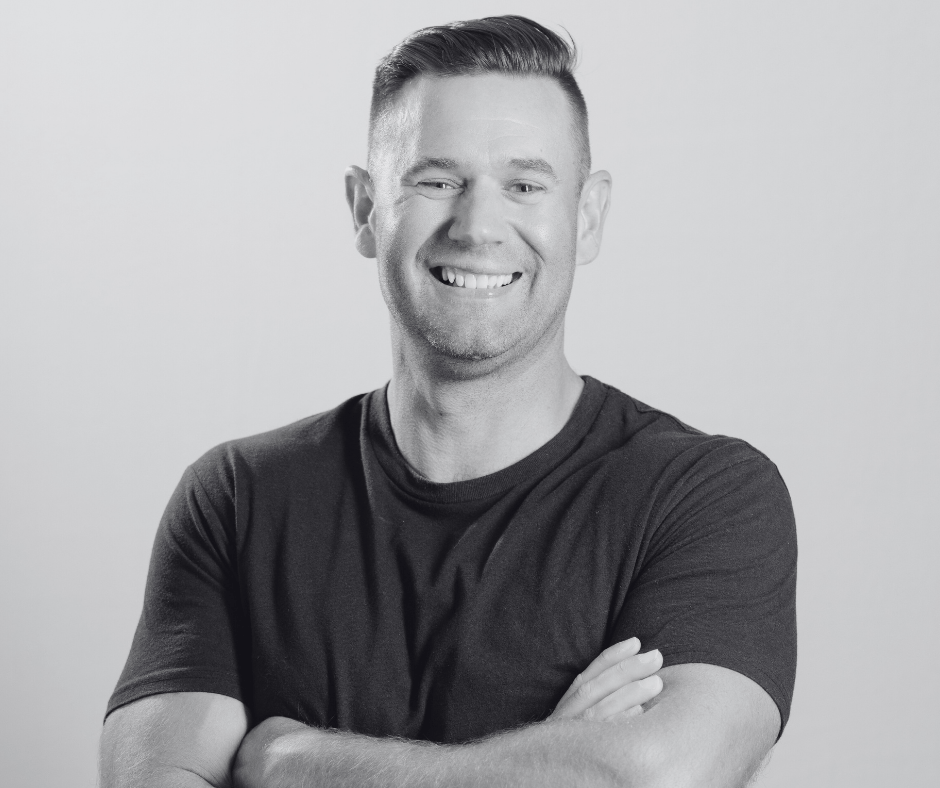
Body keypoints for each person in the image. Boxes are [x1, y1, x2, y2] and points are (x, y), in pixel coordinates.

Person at [99, 15, 796, 788]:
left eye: (524, 185)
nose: (478, 227)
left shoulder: (702, 498)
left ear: (587, 215)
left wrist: (295, 762)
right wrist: (547, 762)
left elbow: (655, 777)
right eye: (437, 181)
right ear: (365, 209)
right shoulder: (237, 500)